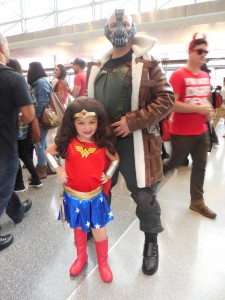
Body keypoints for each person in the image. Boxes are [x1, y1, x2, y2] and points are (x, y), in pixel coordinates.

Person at [87, 9, 174, 276]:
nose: (120, 26)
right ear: (106, 30)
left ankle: (151, 242)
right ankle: (96, 228)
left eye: (125, 22)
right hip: (103, 142)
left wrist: (132, 121)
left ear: (133, 28)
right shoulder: (96, 67)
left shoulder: (148, 63)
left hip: (137, 141)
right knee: (99, 190)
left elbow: (167, 99)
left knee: (143, 195)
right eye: (114, 23)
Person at [45, 97, 119, 283]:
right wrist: (59, 168)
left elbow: (116, 159)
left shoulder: (101, 143)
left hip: (95, 197)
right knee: (78, 228)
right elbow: (48, 152)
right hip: (74, 197)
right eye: (81, 123)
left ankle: (103, 262)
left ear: (99, 122)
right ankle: (81, 257)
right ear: (73, 123)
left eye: (92, 122)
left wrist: (108, 174)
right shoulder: (67, 142)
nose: (87, 127)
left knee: (99, 230)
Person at [163, 33, 217, 219]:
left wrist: (208, 108)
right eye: (200, 51)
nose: (203, 55)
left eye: (206, 51)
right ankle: (149, 187)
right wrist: (198, 108)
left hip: (201, 131)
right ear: (190, 52)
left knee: (200, 166)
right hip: (182, 132)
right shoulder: (179, 75)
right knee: (173, 164)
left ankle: (197, 202)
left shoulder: (204, 75)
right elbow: (172, 104)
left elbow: (203, 100)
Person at [0, 33, 33, 251]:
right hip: (4, 144)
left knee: (5, 182)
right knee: (4, 182)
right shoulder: (13, 77)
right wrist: (16, 118)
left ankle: (17, 211)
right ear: (2, 47)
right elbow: (29, 114)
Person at [6, 58, 43, 190]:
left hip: (15, 125)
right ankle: (35, 178)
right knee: (22, 153)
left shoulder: (11, 82)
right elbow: (33, 105)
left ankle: (20, 183)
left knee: (15, 154)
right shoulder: (23, 83)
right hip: (24, 125)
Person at [27, 61, 53, 179]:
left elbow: (42, 102)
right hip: (43, 118)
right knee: (43, 144)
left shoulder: (41, 82)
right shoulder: (41, 82)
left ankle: (41, 169)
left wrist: (35, 119)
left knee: (39, 144)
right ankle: (51, 166)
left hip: (42, 119)